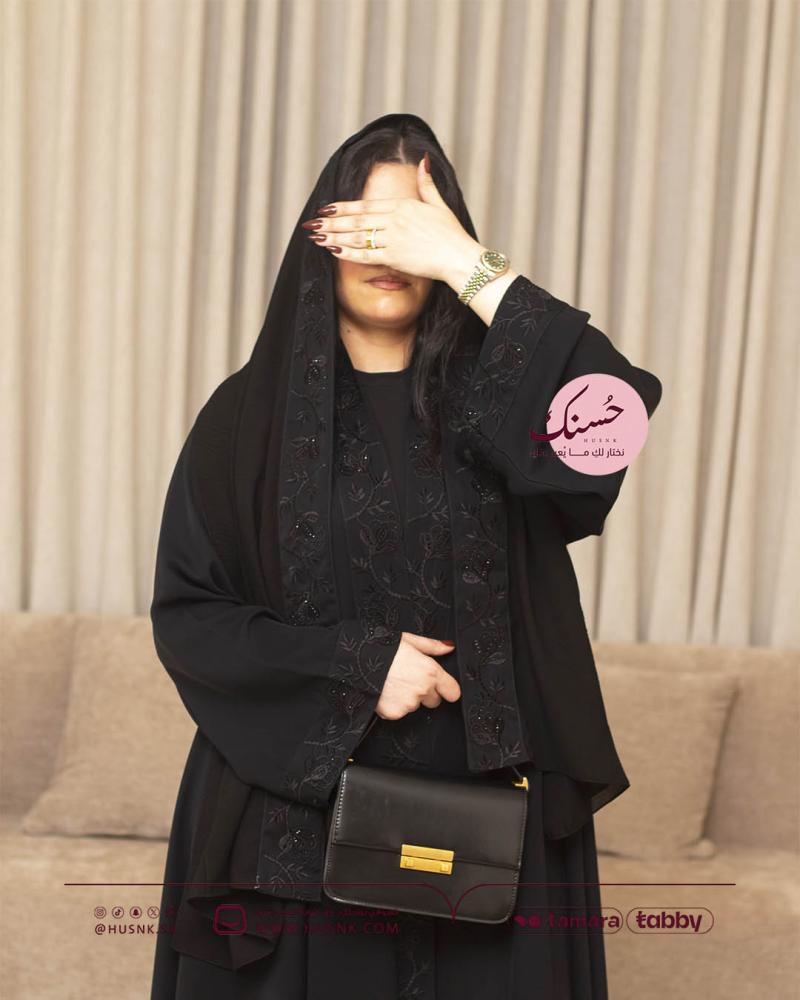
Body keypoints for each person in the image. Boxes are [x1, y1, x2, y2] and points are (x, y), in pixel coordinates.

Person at [149, 112, 662, 1000]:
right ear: (321, 237)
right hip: (294, 831)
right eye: (368, 226)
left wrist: (470, 265)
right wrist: (357, 668)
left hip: (495, 826)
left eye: (415, 230)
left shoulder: (503, 395)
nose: (391, 252)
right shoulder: (244, 420)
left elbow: (612, 418)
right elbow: (192, 617)